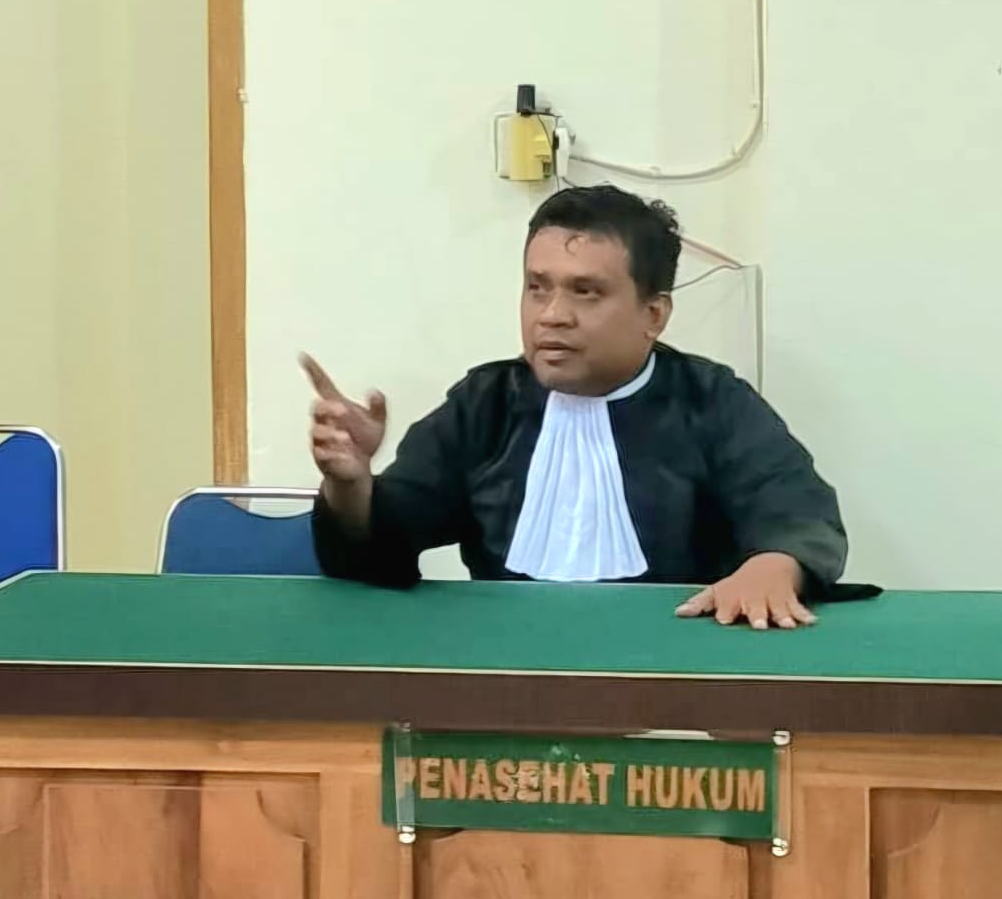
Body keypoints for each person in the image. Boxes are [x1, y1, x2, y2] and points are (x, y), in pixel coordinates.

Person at [304, 185, 849, 630]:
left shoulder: (712, 402)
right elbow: (382, 548)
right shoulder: (486, 404)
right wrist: (350, 485)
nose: (552, 315)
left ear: (654, 315)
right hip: (507, 673)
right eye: (537, 288)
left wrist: (773, 567)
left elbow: (796, 513)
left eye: (585, 292)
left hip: (677, 676)